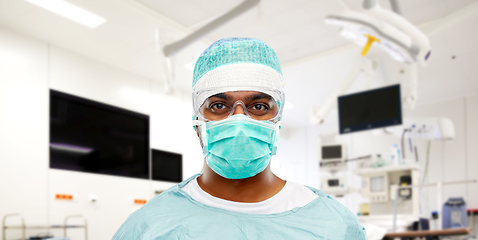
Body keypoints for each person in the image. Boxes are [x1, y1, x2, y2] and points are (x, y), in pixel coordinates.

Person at [112, 37, 367, 239]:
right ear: (197, 122)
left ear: (277, 119)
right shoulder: (147, 227)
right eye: (219, 106)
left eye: (258, 107)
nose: (239, 121)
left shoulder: (335, 226)